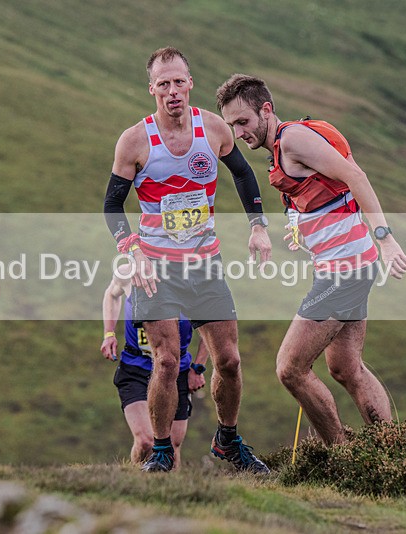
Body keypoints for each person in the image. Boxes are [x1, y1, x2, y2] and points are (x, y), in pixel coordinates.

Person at [216, 74, 406, 444]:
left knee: (290, 368)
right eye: (231, 126)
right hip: (351, 264)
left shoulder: (293, 139)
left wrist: (385, 237)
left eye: (243, 121)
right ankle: (392, 450)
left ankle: (340, 455)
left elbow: (355, 175)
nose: (238, 133)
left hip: (345, 270)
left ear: (266, 110)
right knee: (346, 368)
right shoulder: (281, 149)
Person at [103, 47, 272, 473]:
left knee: (229, 360)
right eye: (164, 84)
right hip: (156, 268)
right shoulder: (135, 141)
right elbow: (112, 206)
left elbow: (243, 173)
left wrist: (258, 225)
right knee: (165, 360)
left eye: (179, 81)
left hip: (204, 264)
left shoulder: (212, 129)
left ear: (190, 83)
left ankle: (227, 440)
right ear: (152, 90)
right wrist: (133, 251)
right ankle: (161, 452)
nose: (173, 91)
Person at [100, 263, 209, 468]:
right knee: (146, 441)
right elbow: (111, 294)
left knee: (172, 446)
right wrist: (109, 333)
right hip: (136, 367)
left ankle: (168, 487)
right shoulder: (129, 273)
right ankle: (138, 480)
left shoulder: (191, 281)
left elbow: (211, 328)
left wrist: (198, 368)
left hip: (177, 371)